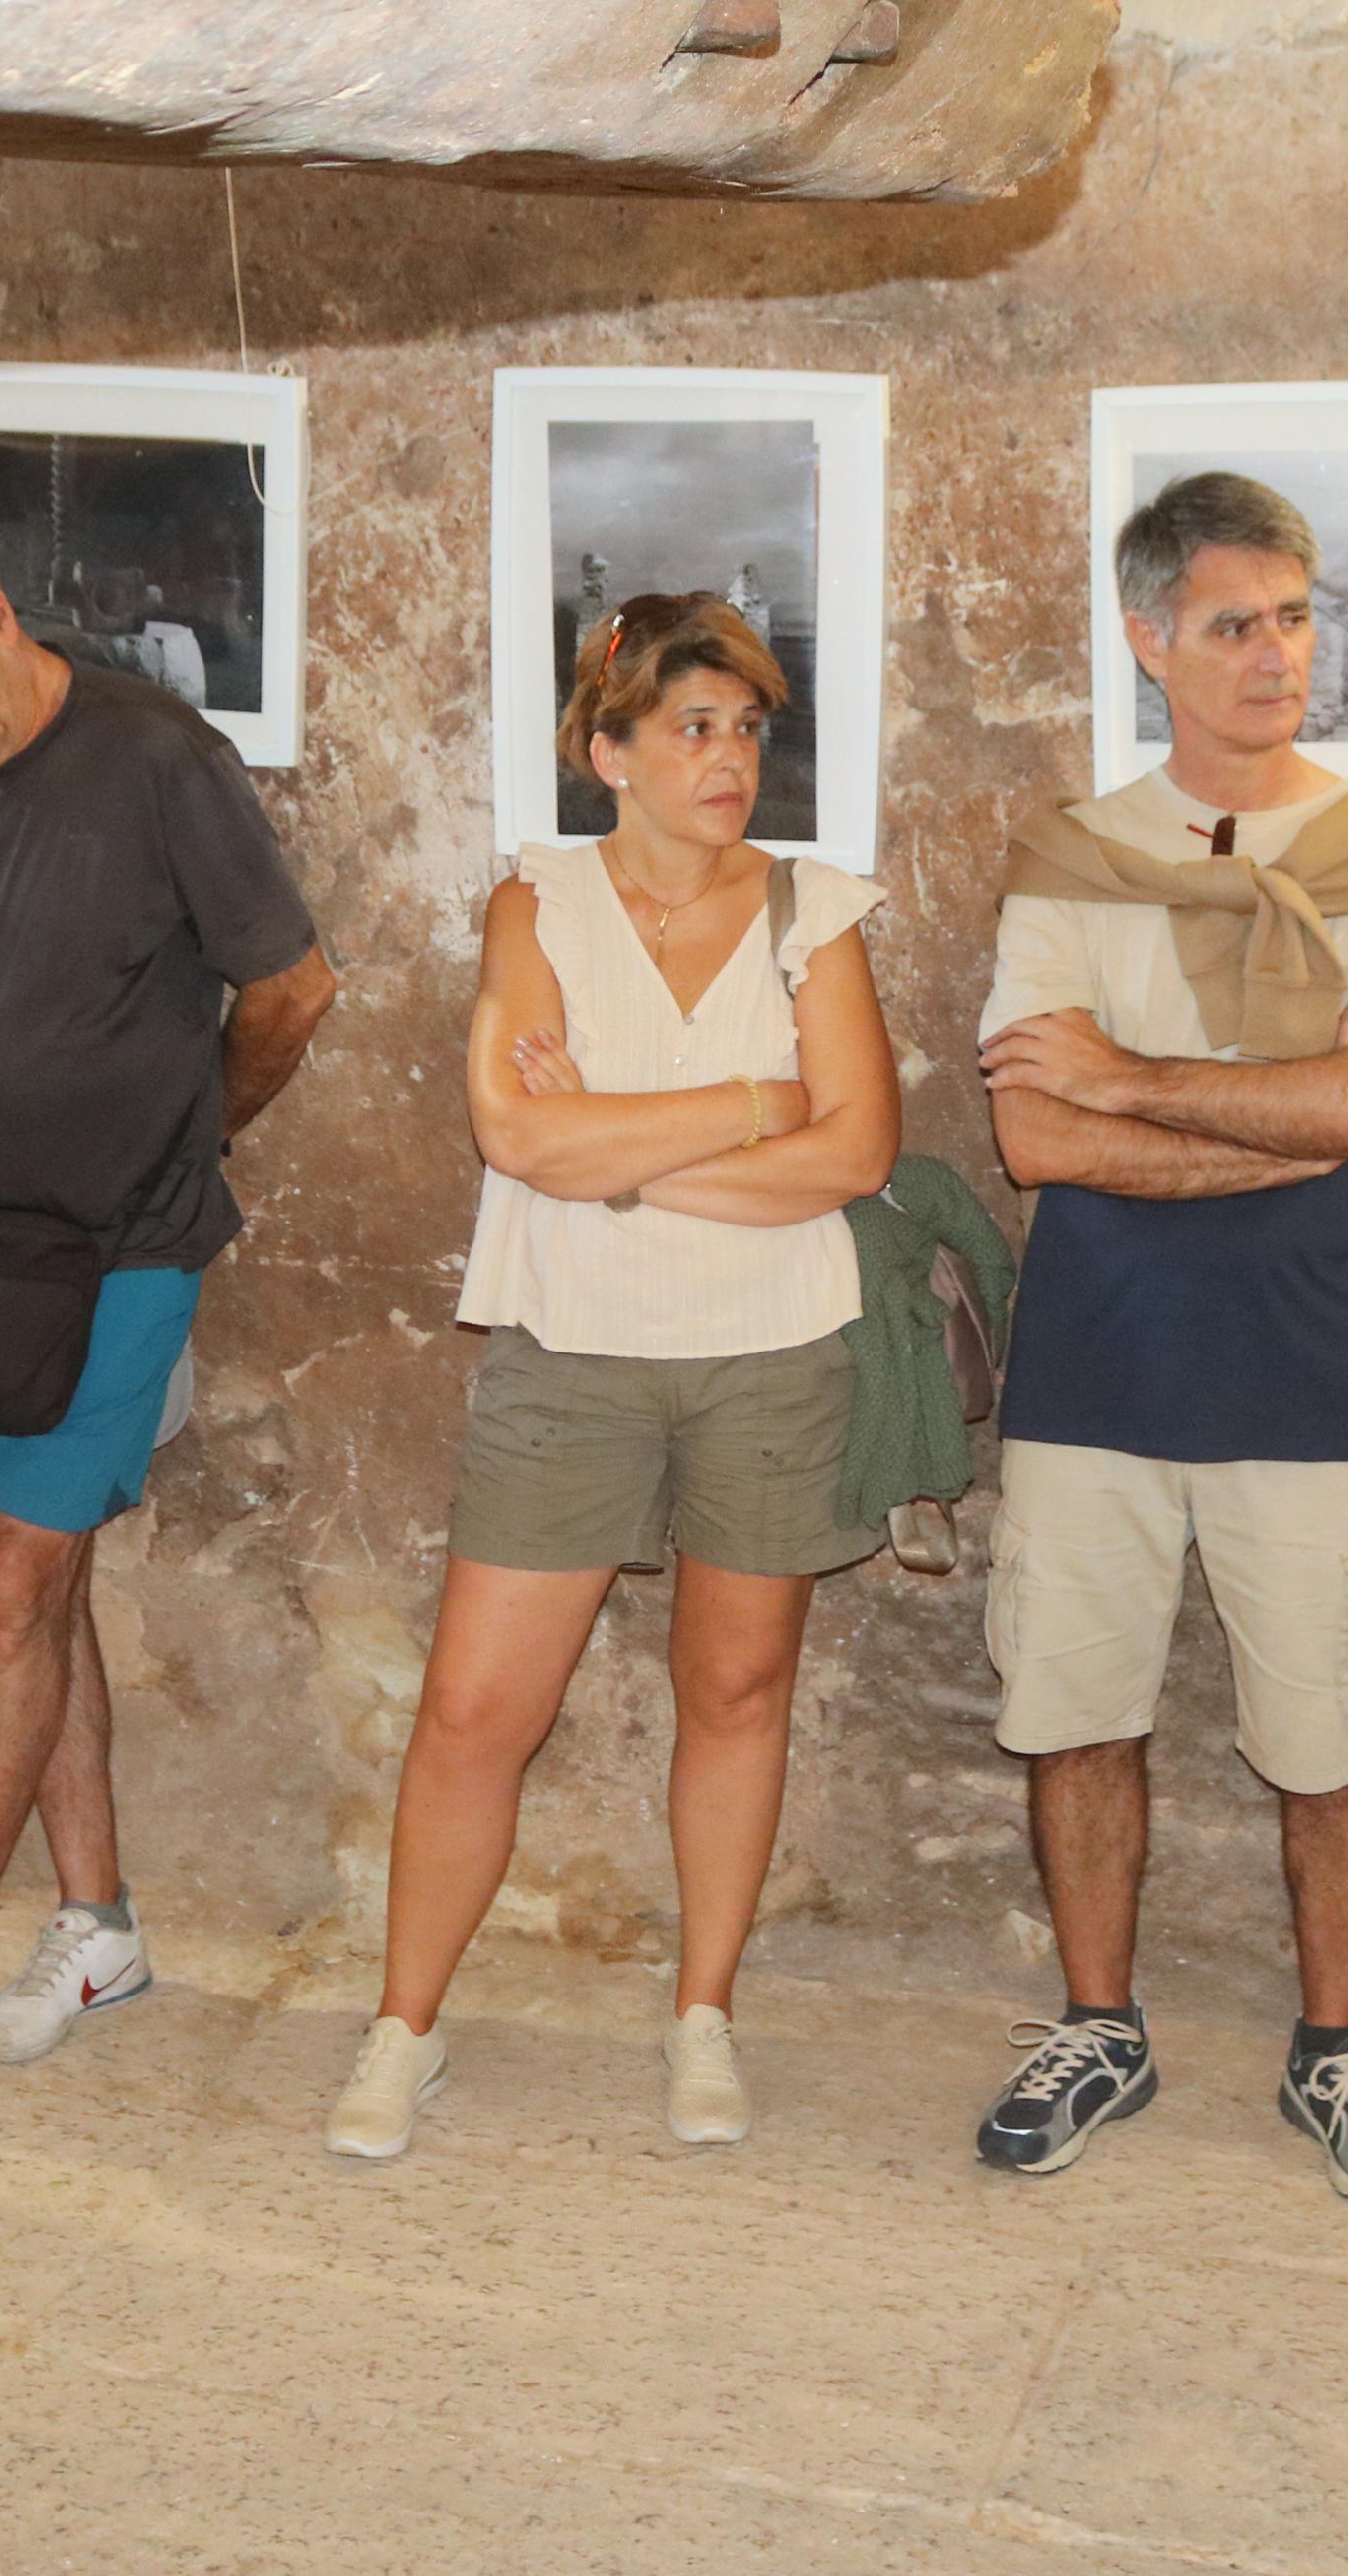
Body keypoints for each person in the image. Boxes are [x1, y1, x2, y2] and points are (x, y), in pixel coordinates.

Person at [324, 592, 901, 2161]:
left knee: (733, 1688)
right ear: (610, 753)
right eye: (695, 729)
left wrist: (628, 1161)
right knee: (471, 1709)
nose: (731, 760)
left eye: (749, 729)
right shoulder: (540, 902)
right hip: (569, 1350)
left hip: (771, 1354)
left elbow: (853, 1149)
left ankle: (703, 2013)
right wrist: (745, 1103)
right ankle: (404, 2027)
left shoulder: (812, 911)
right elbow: (518, 1136)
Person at [970, 473, 1348, 2207]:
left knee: (1331, 1726)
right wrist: (1280, 1113)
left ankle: (1335, 2045)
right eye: (1236, 624)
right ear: (1149, 641)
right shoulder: (1071, 857)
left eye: (1296, 619)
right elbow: (1037, 1142)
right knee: (1076, 1706)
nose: (1277, 657)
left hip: (1305, 1351)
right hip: (1092, 1352)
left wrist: (1128, 1075)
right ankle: (1097, 2021)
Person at [0, 513, 337, 2116]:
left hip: (115, 1250)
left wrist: (192, 1134)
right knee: (28, 1585)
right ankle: (98, 1923)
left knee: (12, 1588)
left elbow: (292, 990)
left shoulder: (157, 756)